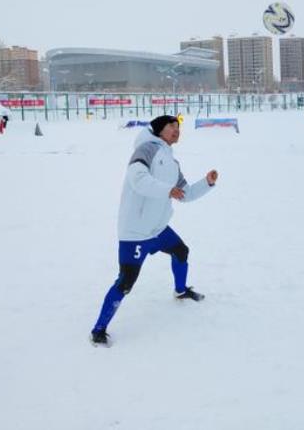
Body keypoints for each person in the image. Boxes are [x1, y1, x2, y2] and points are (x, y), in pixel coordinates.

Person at [90, 115, 218, 347]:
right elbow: (138, 180)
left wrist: (206, 183)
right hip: (136, 232)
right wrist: (168, 190)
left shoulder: (172, 162)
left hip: (157, 228)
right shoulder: (145, 149)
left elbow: (185, 194)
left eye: (178, 127)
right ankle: (99, 329)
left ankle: (180, 291)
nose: (176, 130)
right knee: (126, 281)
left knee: (181, 251)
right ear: (159, 130)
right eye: (171, 126)